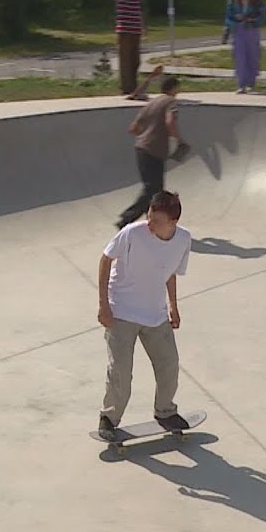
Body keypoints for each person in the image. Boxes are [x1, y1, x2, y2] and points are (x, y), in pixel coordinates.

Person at [97, 190, 192, 440]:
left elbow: (169, 272)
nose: (150, 224)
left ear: (173, 222)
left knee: (169, 365)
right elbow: (105, 260)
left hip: (155, 314)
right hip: (122, 312)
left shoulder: (183, 240)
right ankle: (109, 418)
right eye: (149, 217)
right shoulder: (131, 233)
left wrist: (173, 305)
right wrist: (104, 305)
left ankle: (165, 412)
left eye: (157, 221)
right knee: (121, 372)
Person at [117, 76, 187, 229]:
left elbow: (133, 128)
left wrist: (146, 135)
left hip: (141, 149)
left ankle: (153, 223)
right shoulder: (170, 101)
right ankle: (126, 220)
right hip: (154, 151)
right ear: (174, 88)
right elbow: (170, 122)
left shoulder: (151, 103)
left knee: (155, 190)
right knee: (153, 190)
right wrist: (179, 140)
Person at [224, 0, 265, 94]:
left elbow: (261, 15)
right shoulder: (232, 1)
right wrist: (233, 22)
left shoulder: (256, 1)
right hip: (238, 30)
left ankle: (252, 83)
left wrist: (253, 20)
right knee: (240, 57)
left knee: (253, 56)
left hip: (252, 30)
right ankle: (241, 84)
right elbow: (228, 17)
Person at [108, 0, 146, 100]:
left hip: (135, 28)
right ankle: (126, 88)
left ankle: (134, 88)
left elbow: (138, 9)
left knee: (136, 60)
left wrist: (142, 26)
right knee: (125, 59)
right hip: (124, 28)